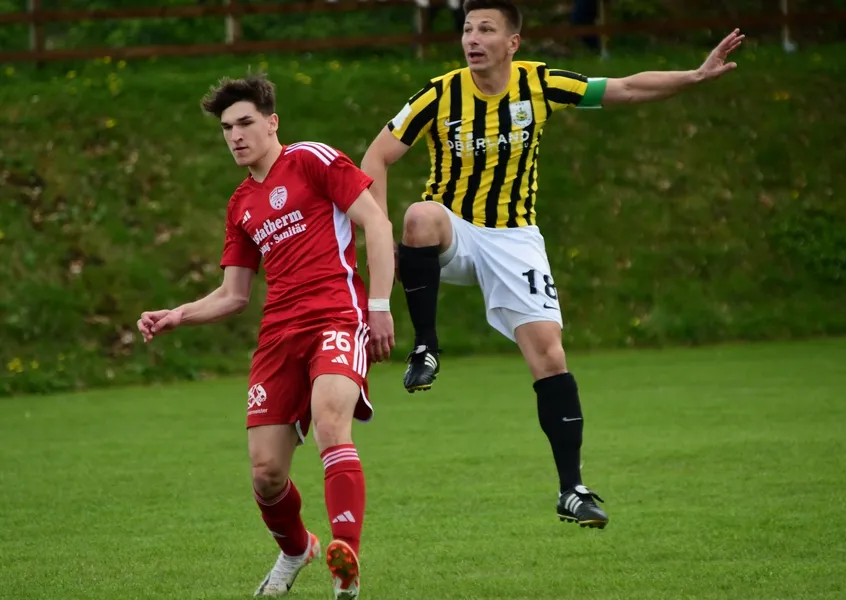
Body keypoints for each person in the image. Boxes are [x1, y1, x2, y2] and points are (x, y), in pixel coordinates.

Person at [360, 0, 743, 530]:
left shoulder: (539, 84)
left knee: (550, 356)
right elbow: (375, 158)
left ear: (512, 43)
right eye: (468, 29)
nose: (473, 39)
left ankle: (572, 490)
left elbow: (624, 88)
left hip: (515, 239)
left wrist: (695, 76)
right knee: (419, 215)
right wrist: (382, 238)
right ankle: (426, 346)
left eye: (486, 29)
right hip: (455, 231)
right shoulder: (439, 94)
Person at [137, 73, 395, 599]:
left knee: (331, 423)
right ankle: (297, 548)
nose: (235, 135)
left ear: (272, 122)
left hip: (336, 315)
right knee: (266, 473)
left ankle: (346, 562)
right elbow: (233, 294)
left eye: (245, 123)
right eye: (226, 128)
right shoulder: (240, 204)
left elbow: (377, 223)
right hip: (279, 334)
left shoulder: (312, 160)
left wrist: (380, 305)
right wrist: (177, 314)